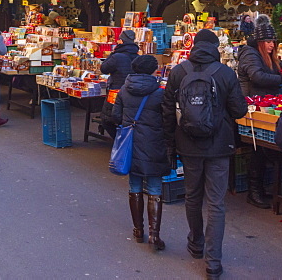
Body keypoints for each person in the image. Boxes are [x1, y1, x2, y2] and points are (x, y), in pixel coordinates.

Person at [162, 29, 247, 280]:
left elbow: (167, 110)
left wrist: (170, 142)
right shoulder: (225, 73)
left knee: (192, 196)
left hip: (187, 145)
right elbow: (239, 110)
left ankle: (196, 243)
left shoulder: (178, 72)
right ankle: (213, 262)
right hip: (219, 146)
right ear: (214, 48)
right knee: (216, 203)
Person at [108, 55, 169, 249]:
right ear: (153, 71)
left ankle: (138, 231)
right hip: (153, 143)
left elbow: (115, 116)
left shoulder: (124, 90)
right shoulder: (159, 93)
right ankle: (154, 235)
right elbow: (168, 120)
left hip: (131, 143)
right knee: (154, 187)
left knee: (134, 185)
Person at [235, 14, 282, 208]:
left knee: (264, 150)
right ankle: (254, 192)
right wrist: (281, 79)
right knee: (256, 150)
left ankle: (260, 188)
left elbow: (269, 70)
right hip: (251, 107)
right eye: (268, 41)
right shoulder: (250, 54)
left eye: (273, 41)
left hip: (265, 106)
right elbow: (257, 76)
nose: (272, 45)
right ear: (259, 42)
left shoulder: (264, 55)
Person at [100, 29, 141, 138]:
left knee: (107, 119)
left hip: (116, 92)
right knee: (127, 118)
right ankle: (126, 140)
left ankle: (119, 140)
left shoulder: (117, 56)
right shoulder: (138, 57)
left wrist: (113, 53)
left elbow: (103, 68)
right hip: (133, 91)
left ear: (121, 41)